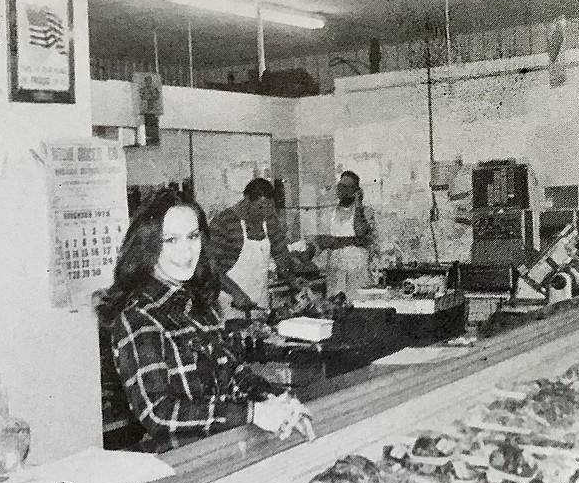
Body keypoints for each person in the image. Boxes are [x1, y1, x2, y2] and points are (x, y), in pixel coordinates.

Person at [95, 188, 313, 452]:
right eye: (170, 240)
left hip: (225, 448)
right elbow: (158, 413)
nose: (186, 252)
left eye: (192, 236)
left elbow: (233, 370)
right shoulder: (139, 316)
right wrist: (251, 413)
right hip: (183, 462)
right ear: (148, 245)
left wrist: (275, 399)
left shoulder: (200, 305)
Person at [209, 178, 293, 319]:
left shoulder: (269, 219)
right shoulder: (224, 221)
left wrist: (291, 277)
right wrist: (235, 292)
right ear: (246, 199)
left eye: (268, 208)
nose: (264, 214)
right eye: (260, 207)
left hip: (261, 301)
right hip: (228, 302)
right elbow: (211, 268)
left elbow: (281, 254)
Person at [313, 171, 375, 301]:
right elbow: (324, 242)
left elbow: (362, 236)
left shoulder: (366, 212)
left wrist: (358, 205)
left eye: (347, 187)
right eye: (340, 186)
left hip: (358, 273)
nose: (342, 190)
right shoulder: (330, 213)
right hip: (336, 273)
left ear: (357, 191)